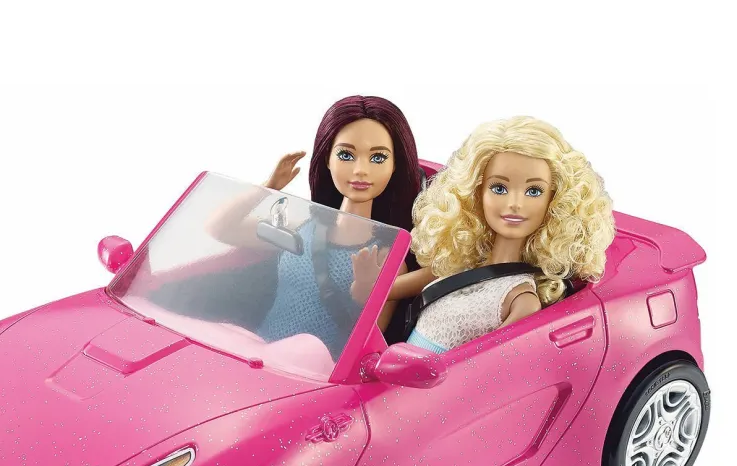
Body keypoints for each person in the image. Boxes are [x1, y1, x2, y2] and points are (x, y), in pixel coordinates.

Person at [208, 96, 422, 354]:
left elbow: (366, 349)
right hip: (254, 353)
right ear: (327, 158)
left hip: (314, 370)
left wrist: (365, 295)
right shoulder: (302, 226)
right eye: (346, 155)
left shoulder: (386, 256)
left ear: (395, 165)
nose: (360, 170)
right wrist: (268, 187)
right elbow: (219, 227)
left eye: (377, 158)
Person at [390, 116, 615, 353]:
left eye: (533, 191)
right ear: (477, 192)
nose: (515, 203)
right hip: (389, 367)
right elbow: (382, 293)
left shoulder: (521, 298)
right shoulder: (460, 262)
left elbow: (483, 364)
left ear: (555, 201)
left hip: (427, 376)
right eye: (499, 188)